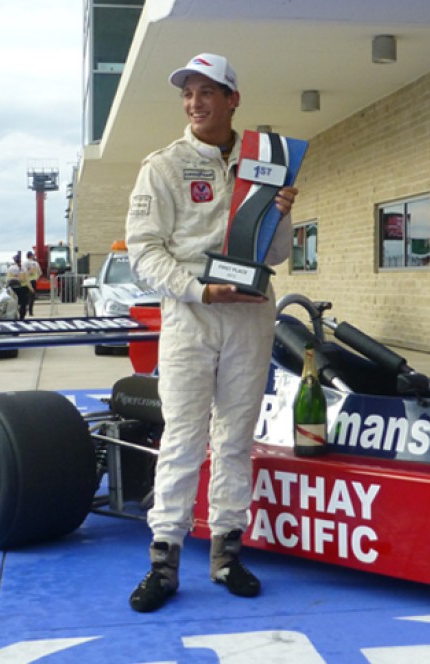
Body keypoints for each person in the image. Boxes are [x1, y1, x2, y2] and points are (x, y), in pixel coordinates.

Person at [124, 53, 297, 612]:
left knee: (236, 438)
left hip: (250, 313)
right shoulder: (164, 164)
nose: (195, 103)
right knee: (182, 437)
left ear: (232, 99)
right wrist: (198, 290)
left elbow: (277, 253)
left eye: (207, 91)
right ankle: (164, 560)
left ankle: (226, 553)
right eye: (187, 93)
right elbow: (144, 252)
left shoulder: (265, 160)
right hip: (191, 315)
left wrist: (283, 212)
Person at [24, 250, 42, 316]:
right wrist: (36, 278)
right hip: (33, 281)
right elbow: (40, 272)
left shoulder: (24, 263)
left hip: (26, 281)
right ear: (31, 256)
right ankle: (30, 312)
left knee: (25, 296)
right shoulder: (35, 263)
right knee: (32, 296)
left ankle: (24, 310)